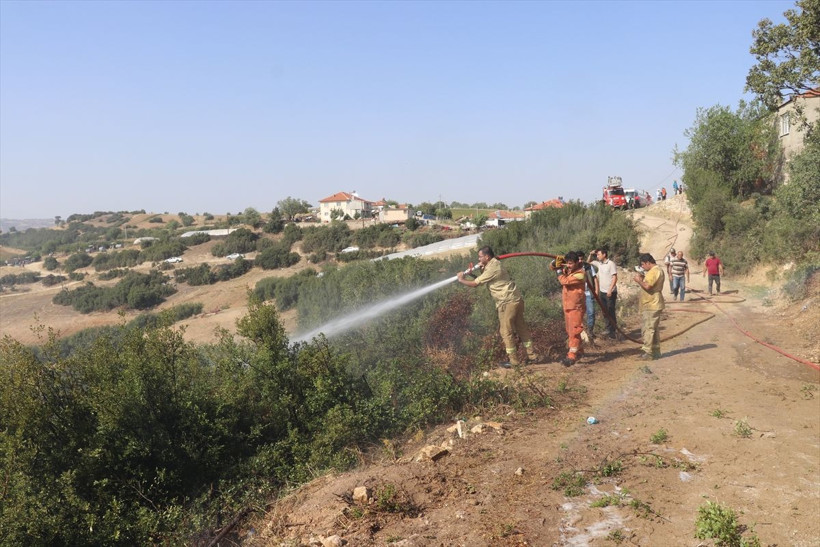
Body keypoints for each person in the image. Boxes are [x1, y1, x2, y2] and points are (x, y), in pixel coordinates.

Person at [457, 246, 538, 367]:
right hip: (515, 299)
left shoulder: (493, 268)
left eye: (480, 256)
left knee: (506, 331)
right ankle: (533, 356)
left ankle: (514, 362)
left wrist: (461, 279)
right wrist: (475, 272)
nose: (478, 259)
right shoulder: (492, 265)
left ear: (487, 257)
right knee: (521, 327)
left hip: (507, 302)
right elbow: (484, 279)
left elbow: (475, 284)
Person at [551, 251, 586, 366]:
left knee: (574, 331)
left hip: (576, 307)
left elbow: (564, 281)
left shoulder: (580, 274)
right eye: (567, 263)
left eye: (571, 263)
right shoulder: (569, 271)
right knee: (570, 330)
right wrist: (555, 263)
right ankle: (579, 351)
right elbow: (551, 267)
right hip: (568, 306)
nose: (568, 265)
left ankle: (571, 356)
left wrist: (559, 271)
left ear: (577, 262)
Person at [633, 253, 665, 360]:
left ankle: (648, 352)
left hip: (652, 303)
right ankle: (655, 351)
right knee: (654, 329)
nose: (642, 267)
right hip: (653, 303)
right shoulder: (656, 271)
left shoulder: (654, 271)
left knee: (648, 329)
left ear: (648, 263)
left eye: (643, 264)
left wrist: (639, 281)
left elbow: (648, 286)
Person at [591, 248, 618, 338]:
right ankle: (608, 329)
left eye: (599, 254)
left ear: (604, 254)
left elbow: (614, 277)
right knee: (605, 311)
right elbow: (587, 263)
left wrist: (610, 289)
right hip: (602, 292)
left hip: (610, 292)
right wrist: (591, 254)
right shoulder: (599, 264)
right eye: (597, 255)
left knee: (610, 311)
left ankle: (613, 331)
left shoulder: (611, 264)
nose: (597, 256)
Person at [579, 250, 599, 338]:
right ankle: (580, 332)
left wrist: (596, 292)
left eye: (581, 258)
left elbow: (595, 279)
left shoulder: (588, 267)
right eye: (578, 259)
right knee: (579, 313)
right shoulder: (574, 268)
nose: (580, 261)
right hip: (578, 294)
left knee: (591, 313)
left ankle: (590, 331)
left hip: (588, 293)